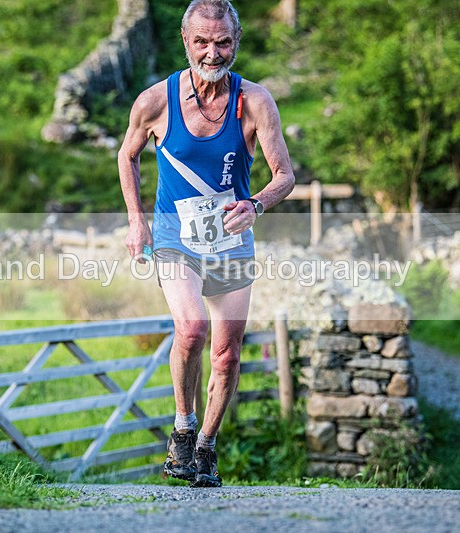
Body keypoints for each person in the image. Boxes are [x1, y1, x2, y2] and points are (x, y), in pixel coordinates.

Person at [118, 0, 294, 487]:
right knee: (192, 327)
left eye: (222, 43)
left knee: (227, 353)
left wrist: (255, 204)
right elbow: (127, 155)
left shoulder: (255, 101)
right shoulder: (155, 100)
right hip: (176, 235)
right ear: (186, 41)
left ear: (236, 44)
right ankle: (182, 427)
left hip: (232, 238)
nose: (212, 53)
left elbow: (285, 176)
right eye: (202, 42)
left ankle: (206, 447)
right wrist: (137, 222)